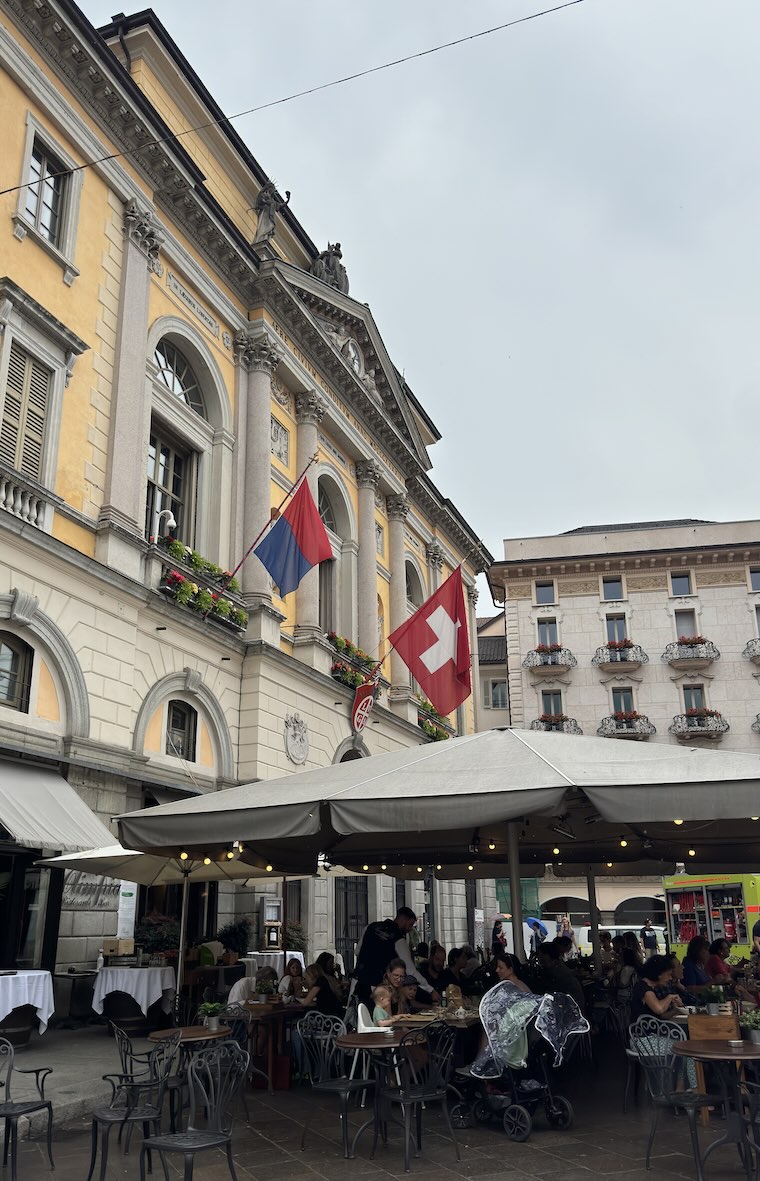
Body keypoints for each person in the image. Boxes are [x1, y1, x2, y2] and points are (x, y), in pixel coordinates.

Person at [353, 907, 436, 1004]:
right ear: (403, 920)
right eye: (410, 925)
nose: (410, 929)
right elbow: (410, 970)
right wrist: (430, 989)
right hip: (377, 986)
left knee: (354, 1014)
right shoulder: (399, 940)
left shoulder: (370, 927)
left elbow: (357, 951)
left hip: (358, 981)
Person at [630, 955, 683, 1022]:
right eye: (668, 974)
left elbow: (662, 1016)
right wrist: (670, 997)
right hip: (644, 1030)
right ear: (659, 974)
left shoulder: (651, 988)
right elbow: (659, 1009)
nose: (670, 978)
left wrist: (677, 1009)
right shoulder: (644, 988)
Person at [537, 942, 585, 1011]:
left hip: (569, 1008)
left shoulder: (556, 971)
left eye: (540, 954)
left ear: (547, 955)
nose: (539, 957)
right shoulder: (558, 966)